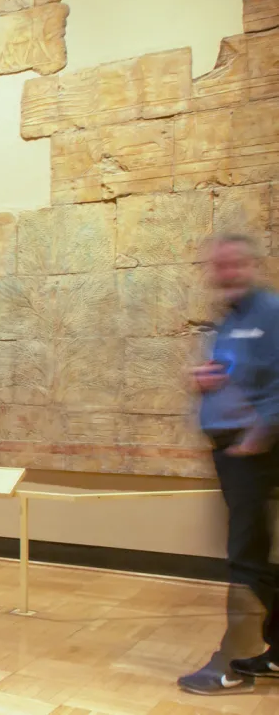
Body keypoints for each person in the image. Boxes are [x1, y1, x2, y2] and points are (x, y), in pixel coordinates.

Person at [180, 233, 279, 695]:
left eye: (233, 265)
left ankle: (232, 665)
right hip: (233, 452)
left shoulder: (271, 314)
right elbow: (238, 377)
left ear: (252, 264)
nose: (225, 274)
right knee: (257, 549)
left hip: (255, 452)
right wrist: (205, 380)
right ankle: (275, 652)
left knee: (246, 553)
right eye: (218, 267)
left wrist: (261, 432)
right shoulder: (231, 320)